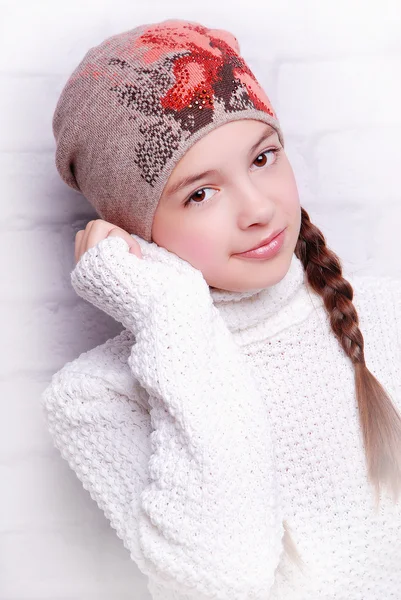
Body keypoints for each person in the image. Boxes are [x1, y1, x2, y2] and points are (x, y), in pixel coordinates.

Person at [41, 18, 401, 600]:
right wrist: (171, 314)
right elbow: (219, 583)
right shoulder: (95, 398)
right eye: (199, 193)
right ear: (134, 228)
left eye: (263, 158)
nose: (258, 208)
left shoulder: (389, 314)